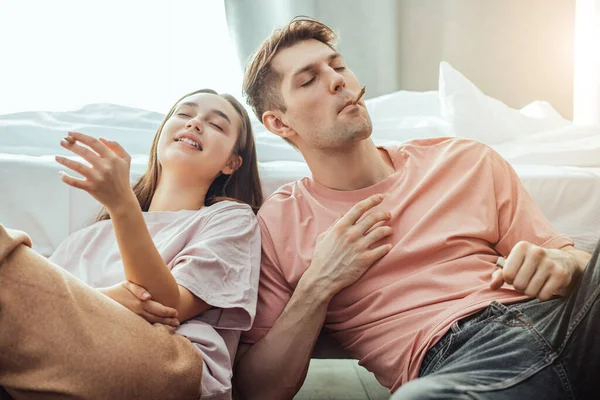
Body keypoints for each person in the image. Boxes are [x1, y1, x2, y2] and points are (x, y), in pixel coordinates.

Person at [232, 17, 598, 400]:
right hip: (459, 368)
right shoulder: (279, 222)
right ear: (279, 122)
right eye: (308, 80)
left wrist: (566, 265)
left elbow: (574, 263)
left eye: (338, 66)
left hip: (567, 325)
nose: (338, 80)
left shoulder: (465, 160)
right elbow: (258, 390)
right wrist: (318, 284)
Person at [0, 89, 263, 400]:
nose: (194, 123)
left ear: (231, 163)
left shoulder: (230, 219)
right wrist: (110, 298)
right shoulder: (88, 238)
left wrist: (123, 205)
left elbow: (170, 305)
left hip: (170, 360)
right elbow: (46, 311)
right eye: (184, 113)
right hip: (63, 357)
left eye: (216, 125)